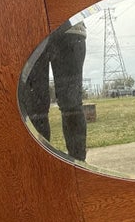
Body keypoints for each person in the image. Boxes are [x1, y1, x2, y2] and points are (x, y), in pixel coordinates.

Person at [20, 20, 87, 161]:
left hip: (66, 27)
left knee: (69, 106)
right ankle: (41, 165)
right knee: (36, 110)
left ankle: (78, 164)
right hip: (34, 28)